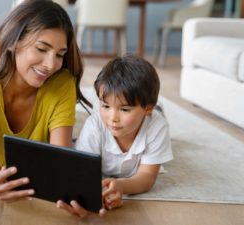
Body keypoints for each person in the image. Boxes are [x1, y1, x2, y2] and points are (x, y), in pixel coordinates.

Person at [0, 1, 91, 202]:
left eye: (60, 55)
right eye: (42, 49)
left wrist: (77, 198)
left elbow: (61, 165)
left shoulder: (62, 82)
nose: (51, 65)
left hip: (42, 117)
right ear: (13, 41)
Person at [58, 54, 173, 217]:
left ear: (147, 109)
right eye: (105, 106)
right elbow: (81, 171)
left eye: (124, 109)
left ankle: (158, 108)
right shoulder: (95, 124)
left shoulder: (157, 126)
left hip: (151, 119)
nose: (113, 118)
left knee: (160, 120)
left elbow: (147, 176)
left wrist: (122, 186)